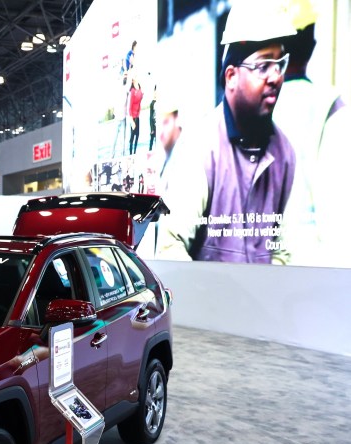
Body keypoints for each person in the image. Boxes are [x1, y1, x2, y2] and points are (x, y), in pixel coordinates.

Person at [156, 0, 297, 263]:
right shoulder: (200, 147)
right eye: (263, 66)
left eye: (279, 64)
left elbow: (282, 251)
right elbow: (170, 247)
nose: (276, 77)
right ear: (231, 76)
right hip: (205, 291)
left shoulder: (284, 152)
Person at [272, 0, 351, 267]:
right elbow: (338, 213)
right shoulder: (331, 107)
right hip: (313, 267)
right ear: (312, 46)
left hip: (262, 268)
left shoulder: (252, 110)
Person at [128, 78, 144, 155]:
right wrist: (132, 121)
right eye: (133, 79)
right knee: (132, 137)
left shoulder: (140, 89)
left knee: (137, 135)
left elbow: (140, 99)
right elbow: (130, 108)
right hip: (132, 117)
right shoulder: (132, 91)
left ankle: (135, 153)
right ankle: (130, 154)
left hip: (137, 116)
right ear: (132, 81)